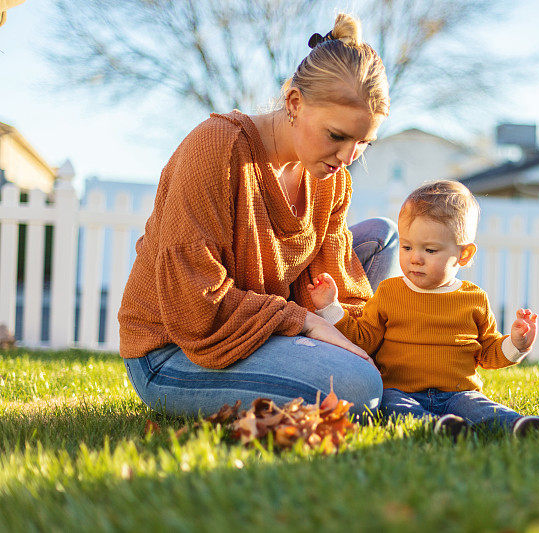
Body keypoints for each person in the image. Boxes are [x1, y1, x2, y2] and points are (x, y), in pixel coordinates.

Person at [118, 14, 400, 418]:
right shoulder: (216, 148)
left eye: (363, 142)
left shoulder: (331, 180)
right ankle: (359, 379)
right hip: (176, 351)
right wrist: (304, 322)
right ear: (294, 103)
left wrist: (367, 334)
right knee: (359, 387)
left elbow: (340, 290)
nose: (347, 158)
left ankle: (367, 372)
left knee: (382, 237)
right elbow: (196, 307)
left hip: (259, 326)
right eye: (337, 136)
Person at [307, 180, 539, 437]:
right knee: (395, 407)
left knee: (481, 408)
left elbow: (489, 352)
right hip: (400, 390)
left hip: (459, 392)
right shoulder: (389, 292)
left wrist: (517, 344)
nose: (415, 257)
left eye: (430, 249)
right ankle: (437, 428)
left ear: (464, 255)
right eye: (407, 247)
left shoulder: (473, 298)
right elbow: (363, 339)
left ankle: (521, 426)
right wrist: (330, 307)